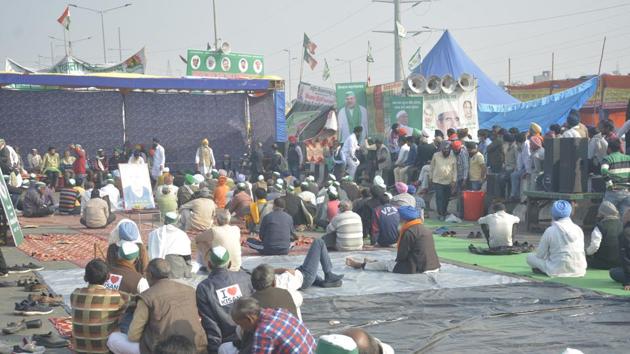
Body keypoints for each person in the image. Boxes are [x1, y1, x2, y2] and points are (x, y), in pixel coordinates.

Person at [107, 259, 207, 354]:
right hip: (197, 345)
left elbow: (133, 336)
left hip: (165, 350)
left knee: (113, 338)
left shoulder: (147, 296)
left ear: (149, 274)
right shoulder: (190, 289)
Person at [346, 206, 440, 274]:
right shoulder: (424, 229)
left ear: (403, 218)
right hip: (433, 265)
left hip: (417, 268)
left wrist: (395, 263)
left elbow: (401, 256)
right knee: (389, 262)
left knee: (386, 264)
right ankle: (374, 262)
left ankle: (359, 265)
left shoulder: (409, 232)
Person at [196, 246, 253, 354]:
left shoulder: (204, 288)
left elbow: (210, 324)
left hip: (228, 345)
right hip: (251, 339)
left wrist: (214, 350)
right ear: (230, 263)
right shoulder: (245, 277)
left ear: (209, 264)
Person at [72, 259, 129, 354]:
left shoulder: (75, 294)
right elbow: (135, 301)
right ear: (108, 277)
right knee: (130, 316)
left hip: (79, 350)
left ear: (85, 277)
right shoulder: (115, 296)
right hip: (104, 351)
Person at [230, 297, 316, 353]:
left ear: (249, 319)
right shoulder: (279, 311)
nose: (242, 328)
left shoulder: (263, 332)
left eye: (241, 324)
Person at [526, 200, 587, 277]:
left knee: (529, 257)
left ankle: (544, 270)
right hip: (579, 270)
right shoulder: (578, 229)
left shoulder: (550, 230)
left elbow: (540, 255)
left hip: (556, 269)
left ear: (553, 214)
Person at [148, 212, 192, 278]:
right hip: (176, 269)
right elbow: (187, 256)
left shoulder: (154, 233)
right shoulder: (182, 234)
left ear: (164, 220)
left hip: (156, 267)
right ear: (176, 221)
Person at [586, 201, 622, 269]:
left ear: (602, 213)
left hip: (602, 262)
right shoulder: (622, 225)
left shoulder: (600, 226)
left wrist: (586, 253)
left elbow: (594, 246)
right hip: (619, 263)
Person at [601, 139, 630, 216]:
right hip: (627, 192)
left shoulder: (607, 159)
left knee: (607, 214)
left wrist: (609, 184)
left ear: (609, 149)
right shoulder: (628, 158)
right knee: (624, 217)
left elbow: (604, 171)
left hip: (612, 192)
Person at [430, 142, 457, 220]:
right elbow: (432, 167)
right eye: (444, 149)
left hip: (448, 181)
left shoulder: (453, 157)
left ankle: (444, 212)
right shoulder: (436, 155)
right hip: (437, 180)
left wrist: (454, 181)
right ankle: (440, 213)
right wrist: (430, 177)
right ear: (441, 149)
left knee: (446, 198)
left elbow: (455, 170)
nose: (446, 151)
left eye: (448, 150)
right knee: (439, 197)